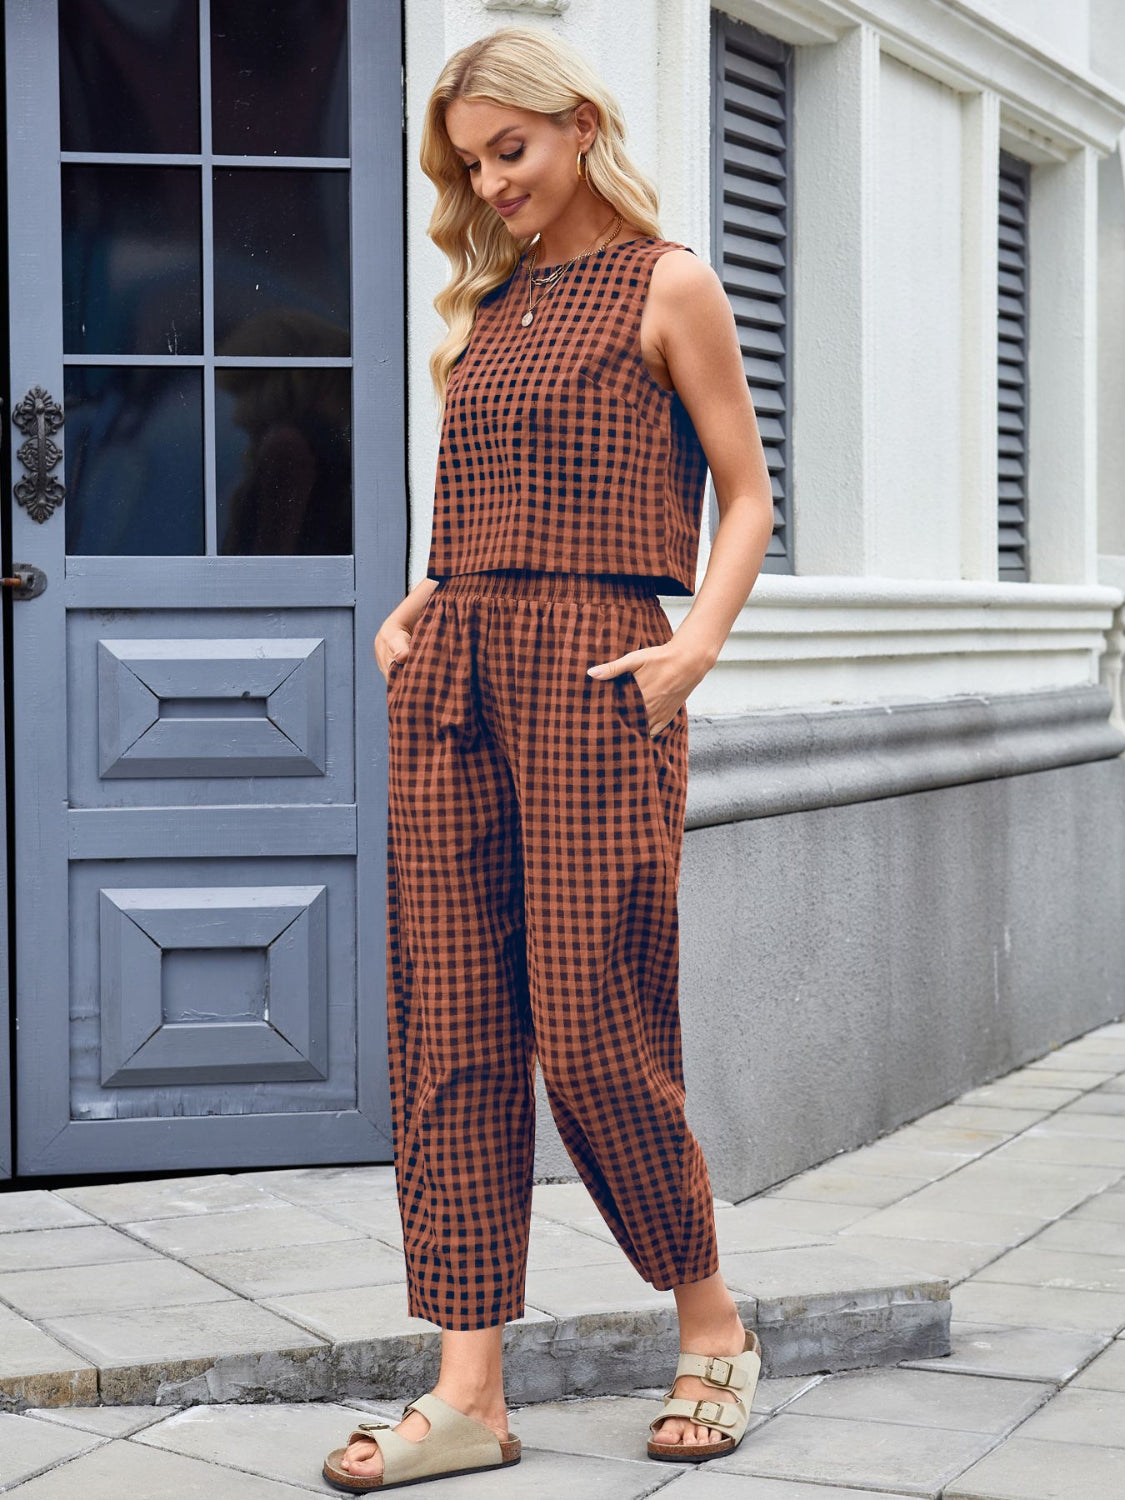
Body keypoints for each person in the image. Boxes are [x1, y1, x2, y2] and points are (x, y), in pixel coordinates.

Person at [322, 24, 775, 1495]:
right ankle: (469, 1392)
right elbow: (489, 496)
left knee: (592, 1024)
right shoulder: (493, 303)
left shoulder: (668, 282)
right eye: (470, 166)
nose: (491, 185)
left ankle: (712, 1328)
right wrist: (421, 597)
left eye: (508, 151)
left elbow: (746, 493)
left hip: (596, 675)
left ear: (578, 123)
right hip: (454, 671)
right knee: (450, 1023)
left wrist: (693, 647)